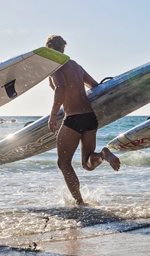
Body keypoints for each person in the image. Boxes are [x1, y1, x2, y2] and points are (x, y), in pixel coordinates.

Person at [45, 35, 121, 206]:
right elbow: (94, 85)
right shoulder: (76, 66)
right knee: (88, 163)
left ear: (49, 49)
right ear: (63, 48)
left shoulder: (55, 67)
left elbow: (61, 88)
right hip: (90, 117)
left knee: (63, 162)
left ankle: (80, 202)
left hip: (73, 118)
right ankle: (103, 155)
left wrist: (52, 114)